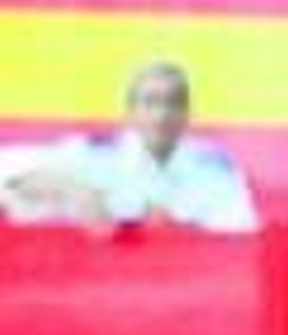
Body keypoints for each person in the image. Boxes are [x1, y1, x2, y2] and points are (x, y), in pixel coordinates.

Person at [0, 61, 257, 232]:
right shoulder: (100, 155)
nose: (161, 116)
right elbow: (7, 170)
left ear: (187, 114)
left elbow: (241, 239)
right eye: (150, 104)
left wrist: (177, 230)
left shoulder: (213, 169)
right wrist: (71, 190)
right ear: (130, 113)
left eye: (173, 105)